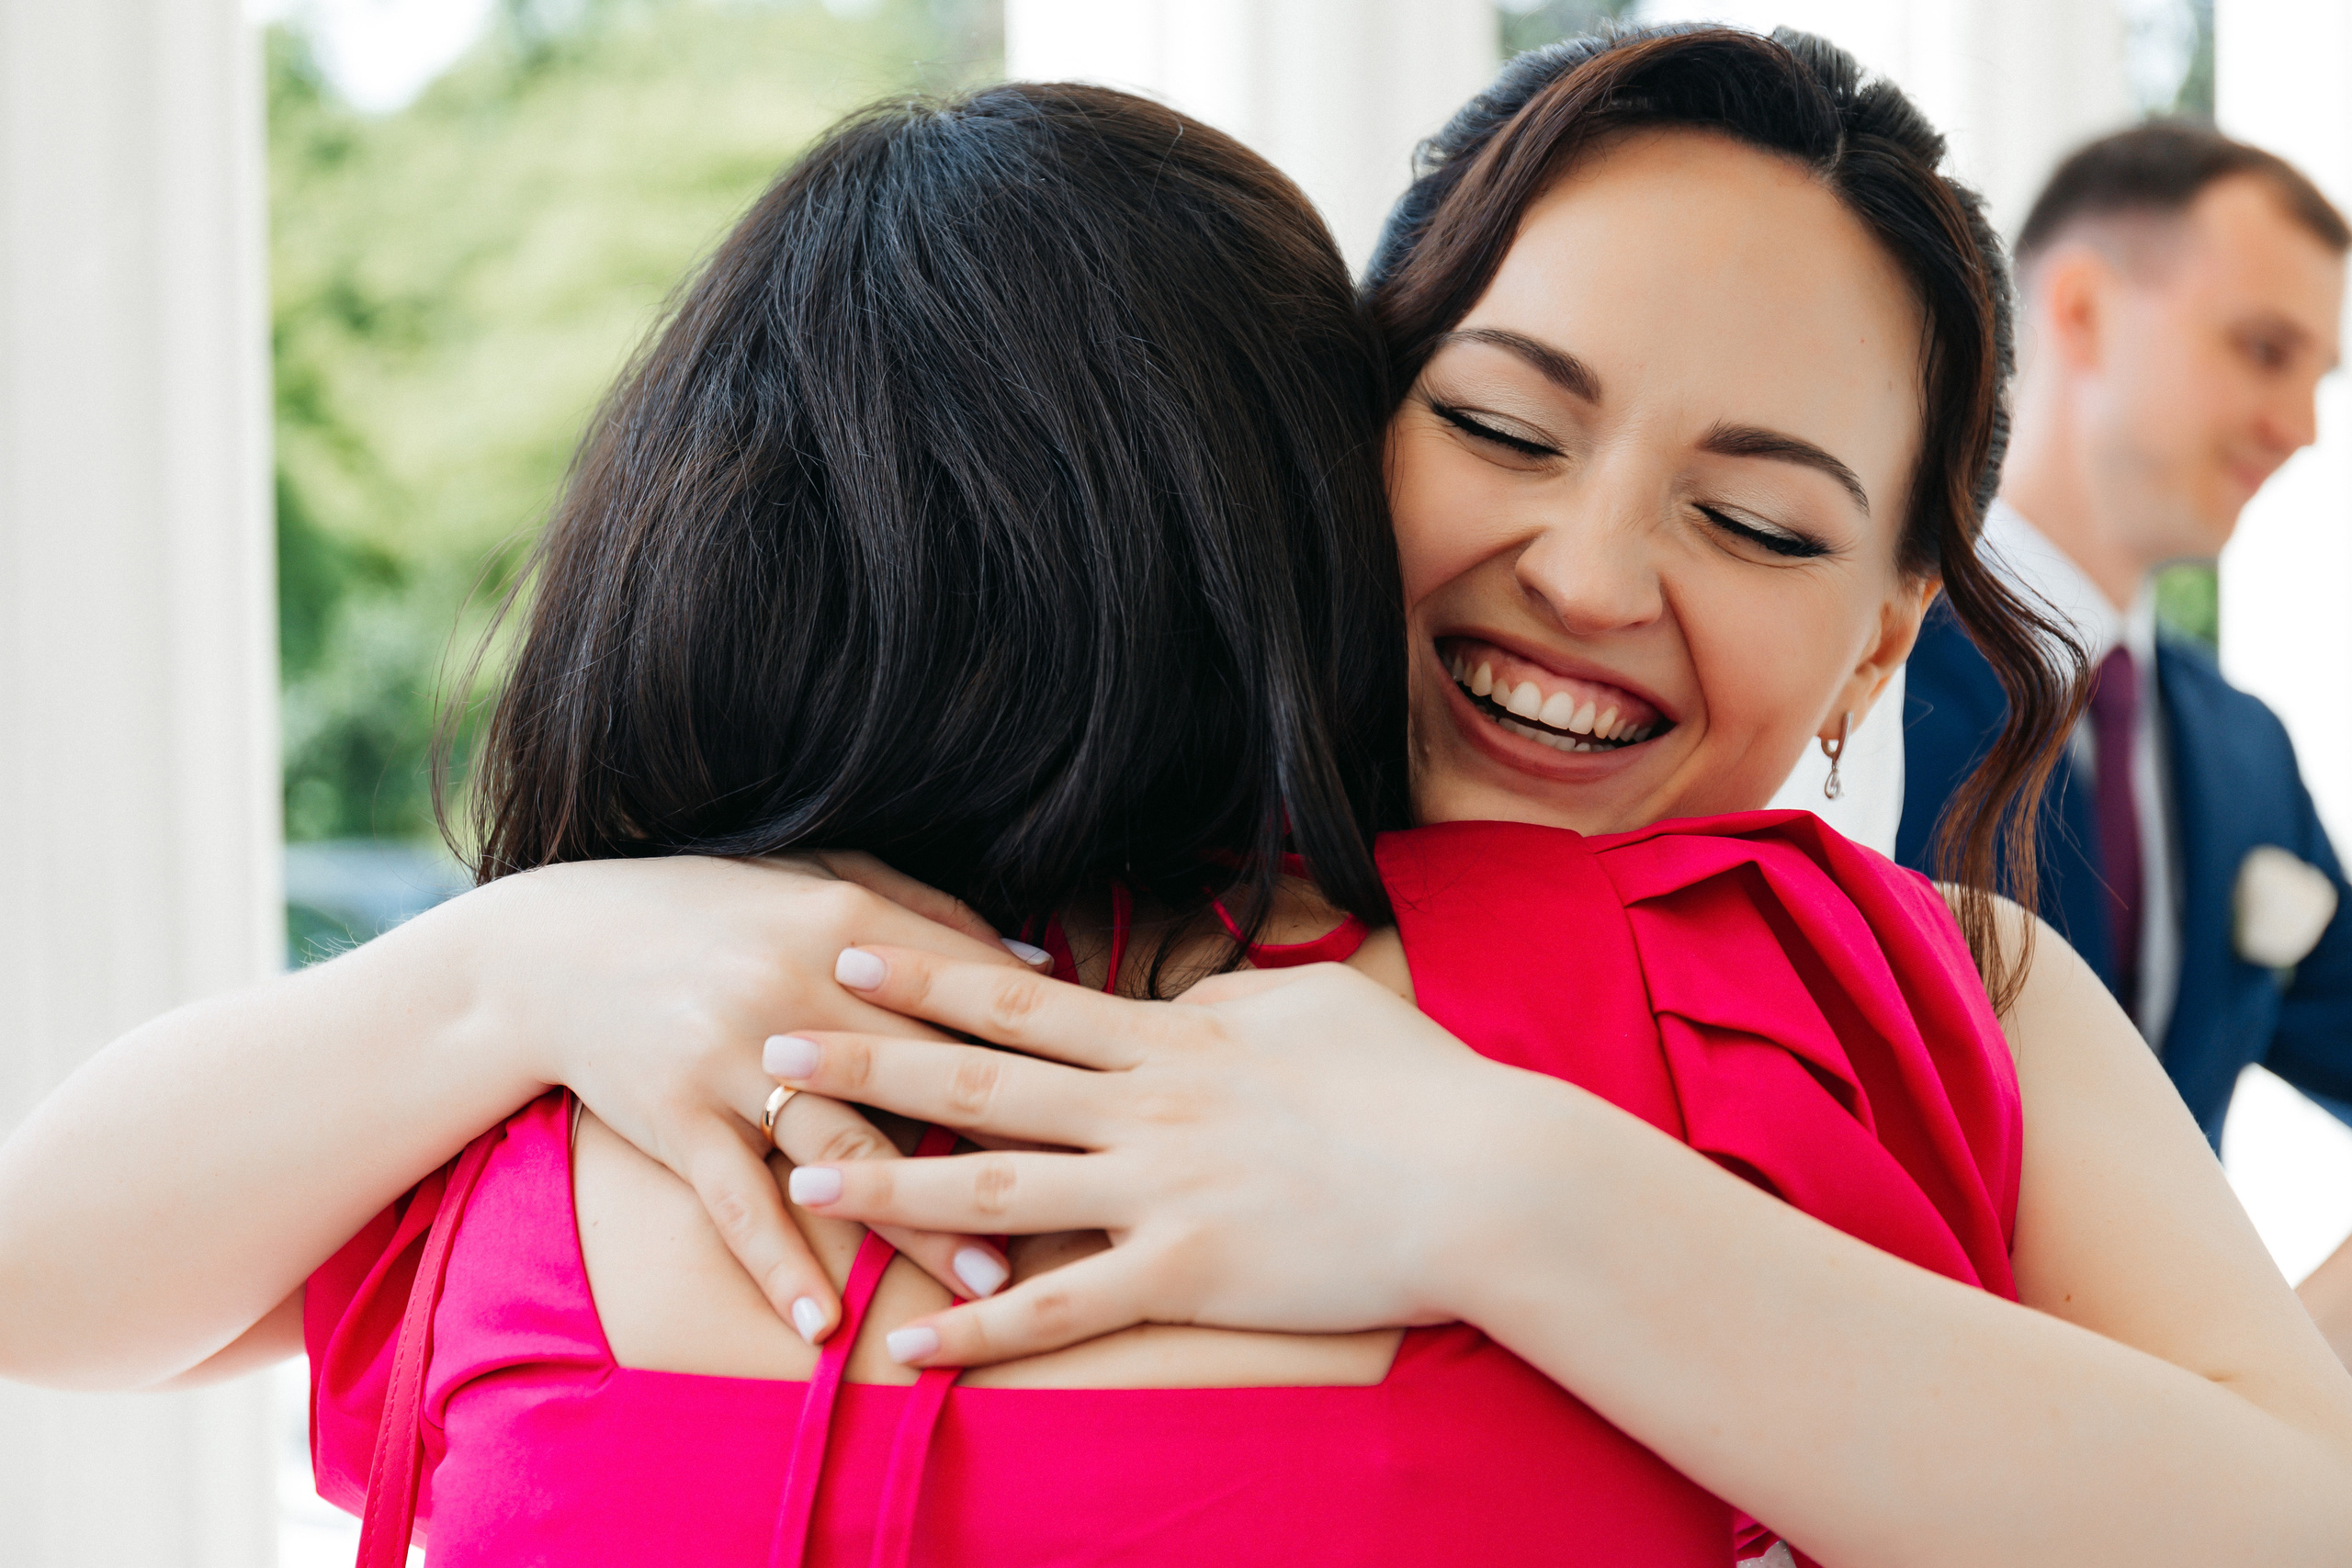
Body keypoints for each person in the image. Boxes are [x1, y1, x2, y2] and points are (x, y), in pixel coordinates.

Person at [4, 28, 2349, 1567]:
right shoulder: (728, 976)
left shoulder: (1889, 981)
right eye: (1498, 425)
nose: (1585, 569)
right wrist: (525, 953)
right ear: (1324, 428)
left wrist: (1498, 1188)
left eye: (1752, 520)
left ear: (1883, 634)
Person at [1894, 121, 2352, 1356]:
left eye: (2319, 377)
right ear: (2084, 312)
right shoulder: (1850, 670)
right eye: (2264, 350)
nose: (2302, 428)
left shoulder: (2247, 748)